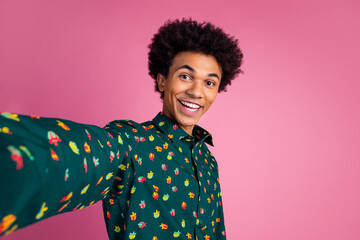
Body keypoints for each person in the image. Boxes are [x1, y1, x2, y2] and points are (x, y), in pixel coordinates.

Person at [0, 18, 243, 239]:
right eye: (185, 76)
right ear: (162, 80)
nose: (197, 92)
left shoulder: (208, 161)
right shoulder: (131, 142)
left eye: (209, 82)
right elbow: (78, 156)